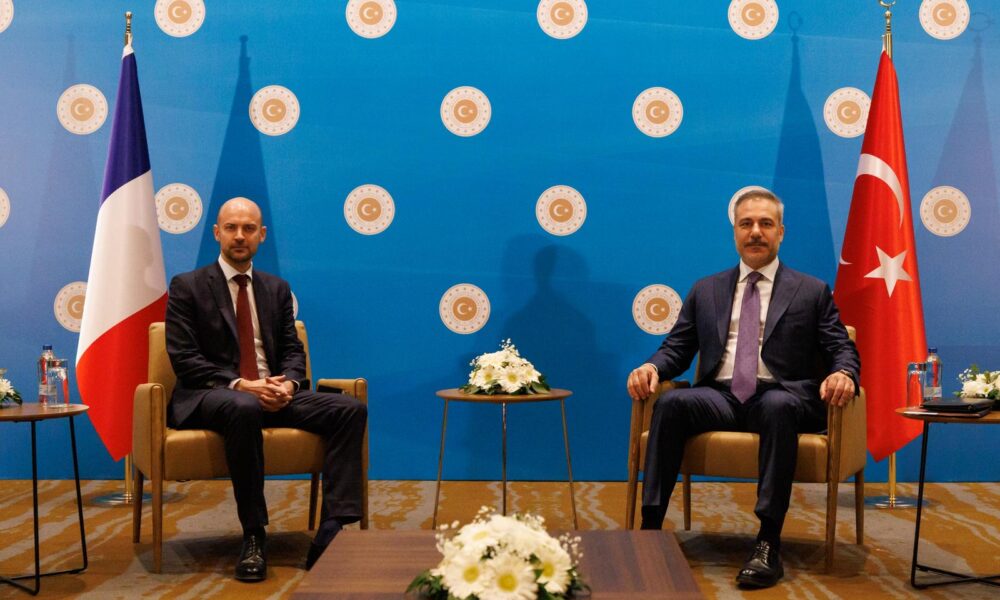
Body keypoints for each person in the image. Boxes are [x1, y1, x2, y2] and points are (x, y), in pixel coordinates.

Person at [626, 190, 859, 589]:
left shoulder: (811, 290)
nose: (755, 232)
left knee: (777, 406)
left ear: (781, 232)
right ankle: (649, 531)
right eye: (746, 224)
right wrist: (651, 366)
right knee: (671, 403)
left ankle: (767, 542)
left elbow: (841, 347)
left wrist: (844, 373)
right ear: (734, 232)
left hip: (782, 395)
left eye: (765, 224)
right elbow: (677, 348)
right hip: (722, 396)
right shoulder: (707, 289)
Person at [165, 197, 367, 581]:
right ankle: (254, 534)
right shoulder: (188, 286)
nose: (239, 236)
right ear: (217, 233)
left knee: (349, 409)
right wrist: (243, 384)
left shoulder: (276, 288)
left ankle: (331, 529)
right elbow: (185, 358)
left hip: (271, 392)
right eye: (231, 228)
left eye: (248, 228)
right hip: (212, 394)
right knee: (243, 406)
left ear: (262, 234)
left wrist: (287, 384)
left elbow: (293, 350)